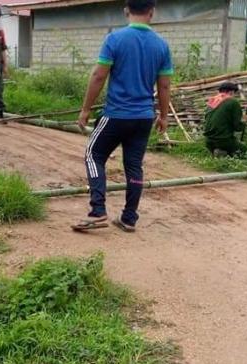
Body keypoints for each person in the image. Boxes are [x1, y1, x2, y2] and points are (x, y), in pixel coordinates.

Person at [73, 0, 172, 233]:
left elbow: (99, 76)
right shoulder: (162, 45)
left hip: (117, 114)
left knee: (93, 155)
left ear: (126, 10)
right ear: (152, 12)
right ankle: (129, 218)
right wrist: (164, 116)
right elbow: (165, 85)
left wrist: (86, 109)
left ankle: (98, 211)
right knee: (134, 165)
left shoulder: (115, 39)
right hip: (144, 117)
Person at [203, 82, 247, 157]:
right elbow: (238, 127)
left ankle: (220, 153)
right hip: (223, 140)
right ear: (231, 92)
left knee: (231, 151)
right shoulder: (232, 102)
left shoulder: (211, 101)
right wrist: (245, 121)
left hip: (208, 141)